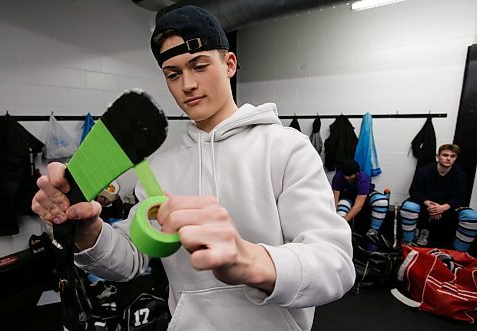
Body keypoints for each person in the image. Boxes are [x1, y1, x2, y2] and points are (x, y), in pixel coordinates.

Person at [31, 5, 355, 330]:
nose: (187, 84)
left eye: (199, 66)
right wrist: (89, 232)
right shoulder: (160, 168)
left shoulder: (287, 149)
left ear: (229, 64)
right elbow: (130, 260)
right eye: (173, 74)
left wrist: (247, 259)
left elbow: (335, 265)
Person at [400, 143, 477, 252]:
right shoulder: (424, 171)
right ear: (438, 156)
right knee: (409, 206)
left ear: (456, 158)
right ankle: (408, 242)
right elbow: (414, 191)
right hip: (426, 206)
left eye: (452, 156)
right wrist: (429, 204)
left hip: (448, 208)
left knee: (473, 216)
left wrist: (443, 207)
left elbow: (460, 197)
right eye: (445, 155)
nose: (448, 158)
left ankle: (459, 253)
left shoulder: (460, 173)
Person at [331, 159, 390, 242]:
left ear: (357, 173)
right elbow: (335, 199)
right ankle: (339, 235)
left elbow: (358, 206)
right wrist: (333, 219)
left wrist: (343, 221)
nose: (347, 178)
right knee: (341, 209)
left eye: (350, 175)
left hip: (364, 197)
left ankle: (373, 232)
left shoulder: (363, 178)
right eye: (345, 175)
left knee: (381, 201)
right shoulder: (338, 176)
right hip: (347, 196)